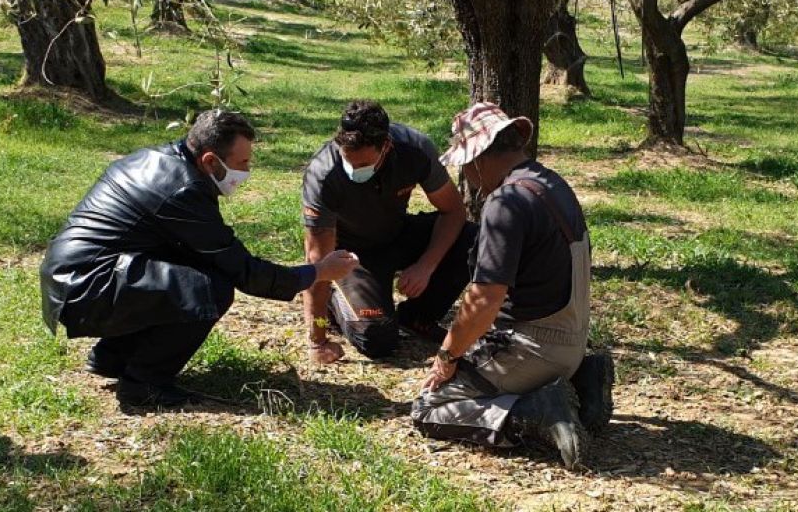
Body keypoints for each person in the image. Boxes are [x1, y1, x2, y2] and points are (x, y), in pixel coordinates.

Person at [40, 110, 359, 408]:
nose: (246, 172)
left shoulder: (159, 160)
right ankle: (144, 383)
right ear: (209, 160)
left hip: (74, 279)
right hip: (87, 288)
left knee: (196, 268)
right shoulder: (182, 190)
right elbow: (244, 272)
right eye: (242, 163)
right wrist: (317, 271)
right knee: (209, 289)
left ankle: (114, 356)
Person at [411, 102, 614, 468]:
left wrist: (448, 356)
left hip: (533, 348)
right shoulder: (552, 183)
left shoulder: (505, 203)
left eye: (464, 165)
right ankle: (583, 381)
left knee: (429, 408)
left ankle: (535, 410)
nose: (466, 176)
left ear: (477, 159)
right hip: (573, 342)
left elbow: (483, 301)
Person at [300, 100, 476, 363]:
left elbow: (453, 211)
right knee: (377, 337)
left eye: (363, 164)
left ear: (386, 146)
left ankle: (418, 317)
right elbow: (318, 259)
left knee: (475, 239)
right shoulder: (323, 174)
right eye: (348, 161)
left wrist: (426, 266)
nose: (354, 171)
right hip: (349, 256)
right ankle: (335, 300)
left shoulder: (414, 149)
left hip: (396, 234)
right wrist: (318, 339)